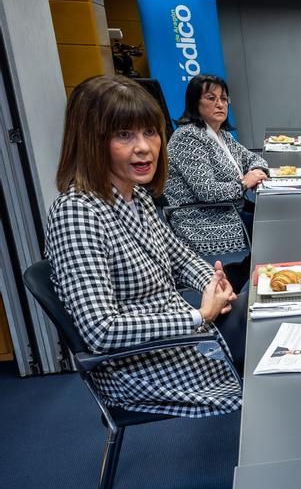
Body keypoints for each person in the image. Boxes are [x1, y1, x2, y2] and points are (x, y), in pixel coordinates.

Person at [45, 75, 243, 417]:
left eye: (150, 132)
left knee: (266, 309)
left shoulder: (134, 195)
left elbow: (180, 258)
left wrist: (213, 284)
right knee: (274, 342)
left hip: (180, 336)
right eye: (124, 135)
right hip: (145, 365)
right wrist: (200, 314)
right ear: (90, 140)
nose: (144, 147)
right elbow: (101, 330)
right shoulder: (77, 212)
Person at [165, 74, 268, 290]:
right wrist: (243, 183)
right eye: (211, 98)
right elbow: (207, 191)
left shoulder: (222, 136)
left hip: (231, 211)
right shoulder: (188, 138)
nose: (220, 104)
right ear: (195, 102)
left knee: (274, 224)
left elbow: (254, 158)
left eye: (223, 99)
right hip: (203, 221)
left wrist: (256, 170)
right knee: (271, 235)